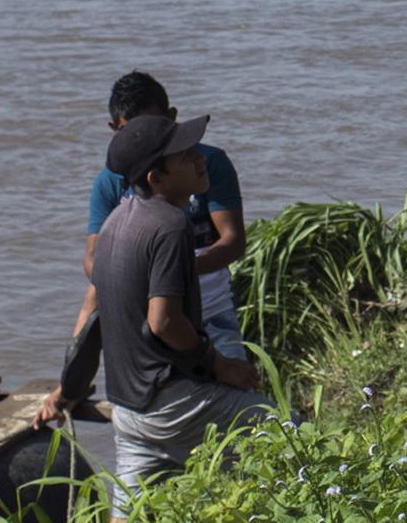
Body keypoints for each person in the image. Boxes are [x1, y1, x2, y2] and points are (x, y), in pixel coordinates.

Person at [72, 110, 265, 500]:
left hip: (127, 407)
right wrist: (219, 364)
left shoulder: (114, 225)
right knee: (284, 435)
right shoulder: (170, 226)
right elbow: (162, 321)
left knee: (127, 512)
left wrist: (69, 386)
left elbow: (95, 313)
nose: (199, 159)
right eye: (184, 156)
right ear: (154, 178)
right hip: (173, 403)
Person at [58, 73, 258, 414]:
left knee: (237, 394)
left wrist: (170, 270)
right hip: (142, 318)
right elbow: (95, 261)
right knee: (152, 402)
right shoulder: (111, 182)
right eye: (131, 132)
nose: (143, 141)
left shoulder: (203, 165)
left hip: (209, 308)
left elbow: (233, 242)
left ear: (172, 119)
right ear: (114, 130)